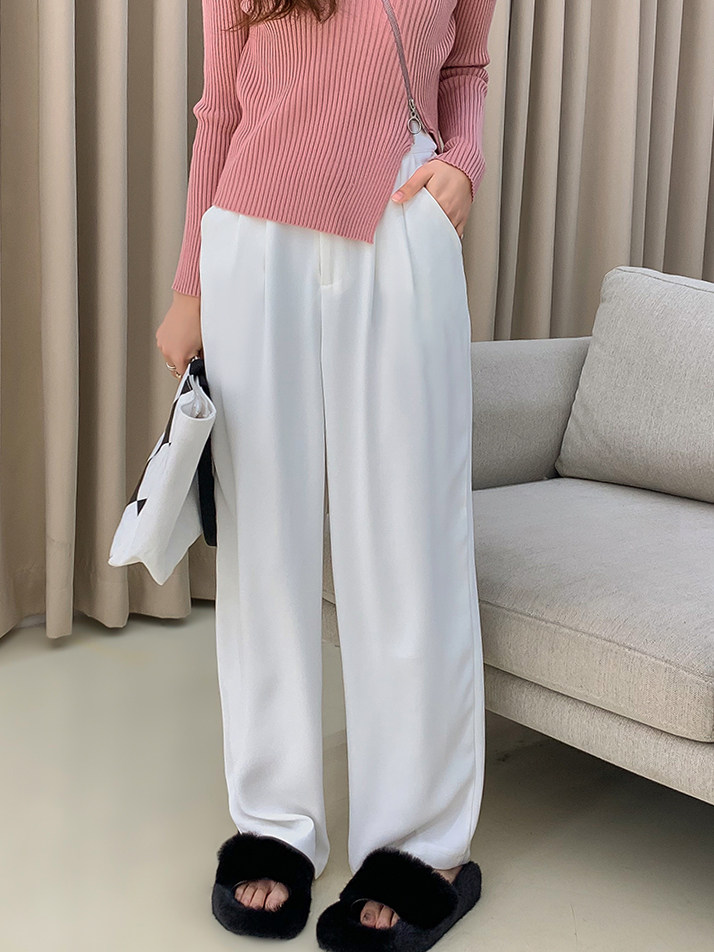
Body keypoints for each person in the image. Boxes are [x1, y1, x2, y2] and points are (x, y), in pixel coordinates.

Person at [156, 1, 497, 948]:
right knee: (264, 549)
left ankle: (425, 843)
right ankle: (275, 822)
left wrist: (464, 160)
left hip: (401, 227)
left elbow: (465, 68)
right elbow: (221, 108)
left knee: (410, 546)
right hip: (252, 244)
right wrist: (190, 282)